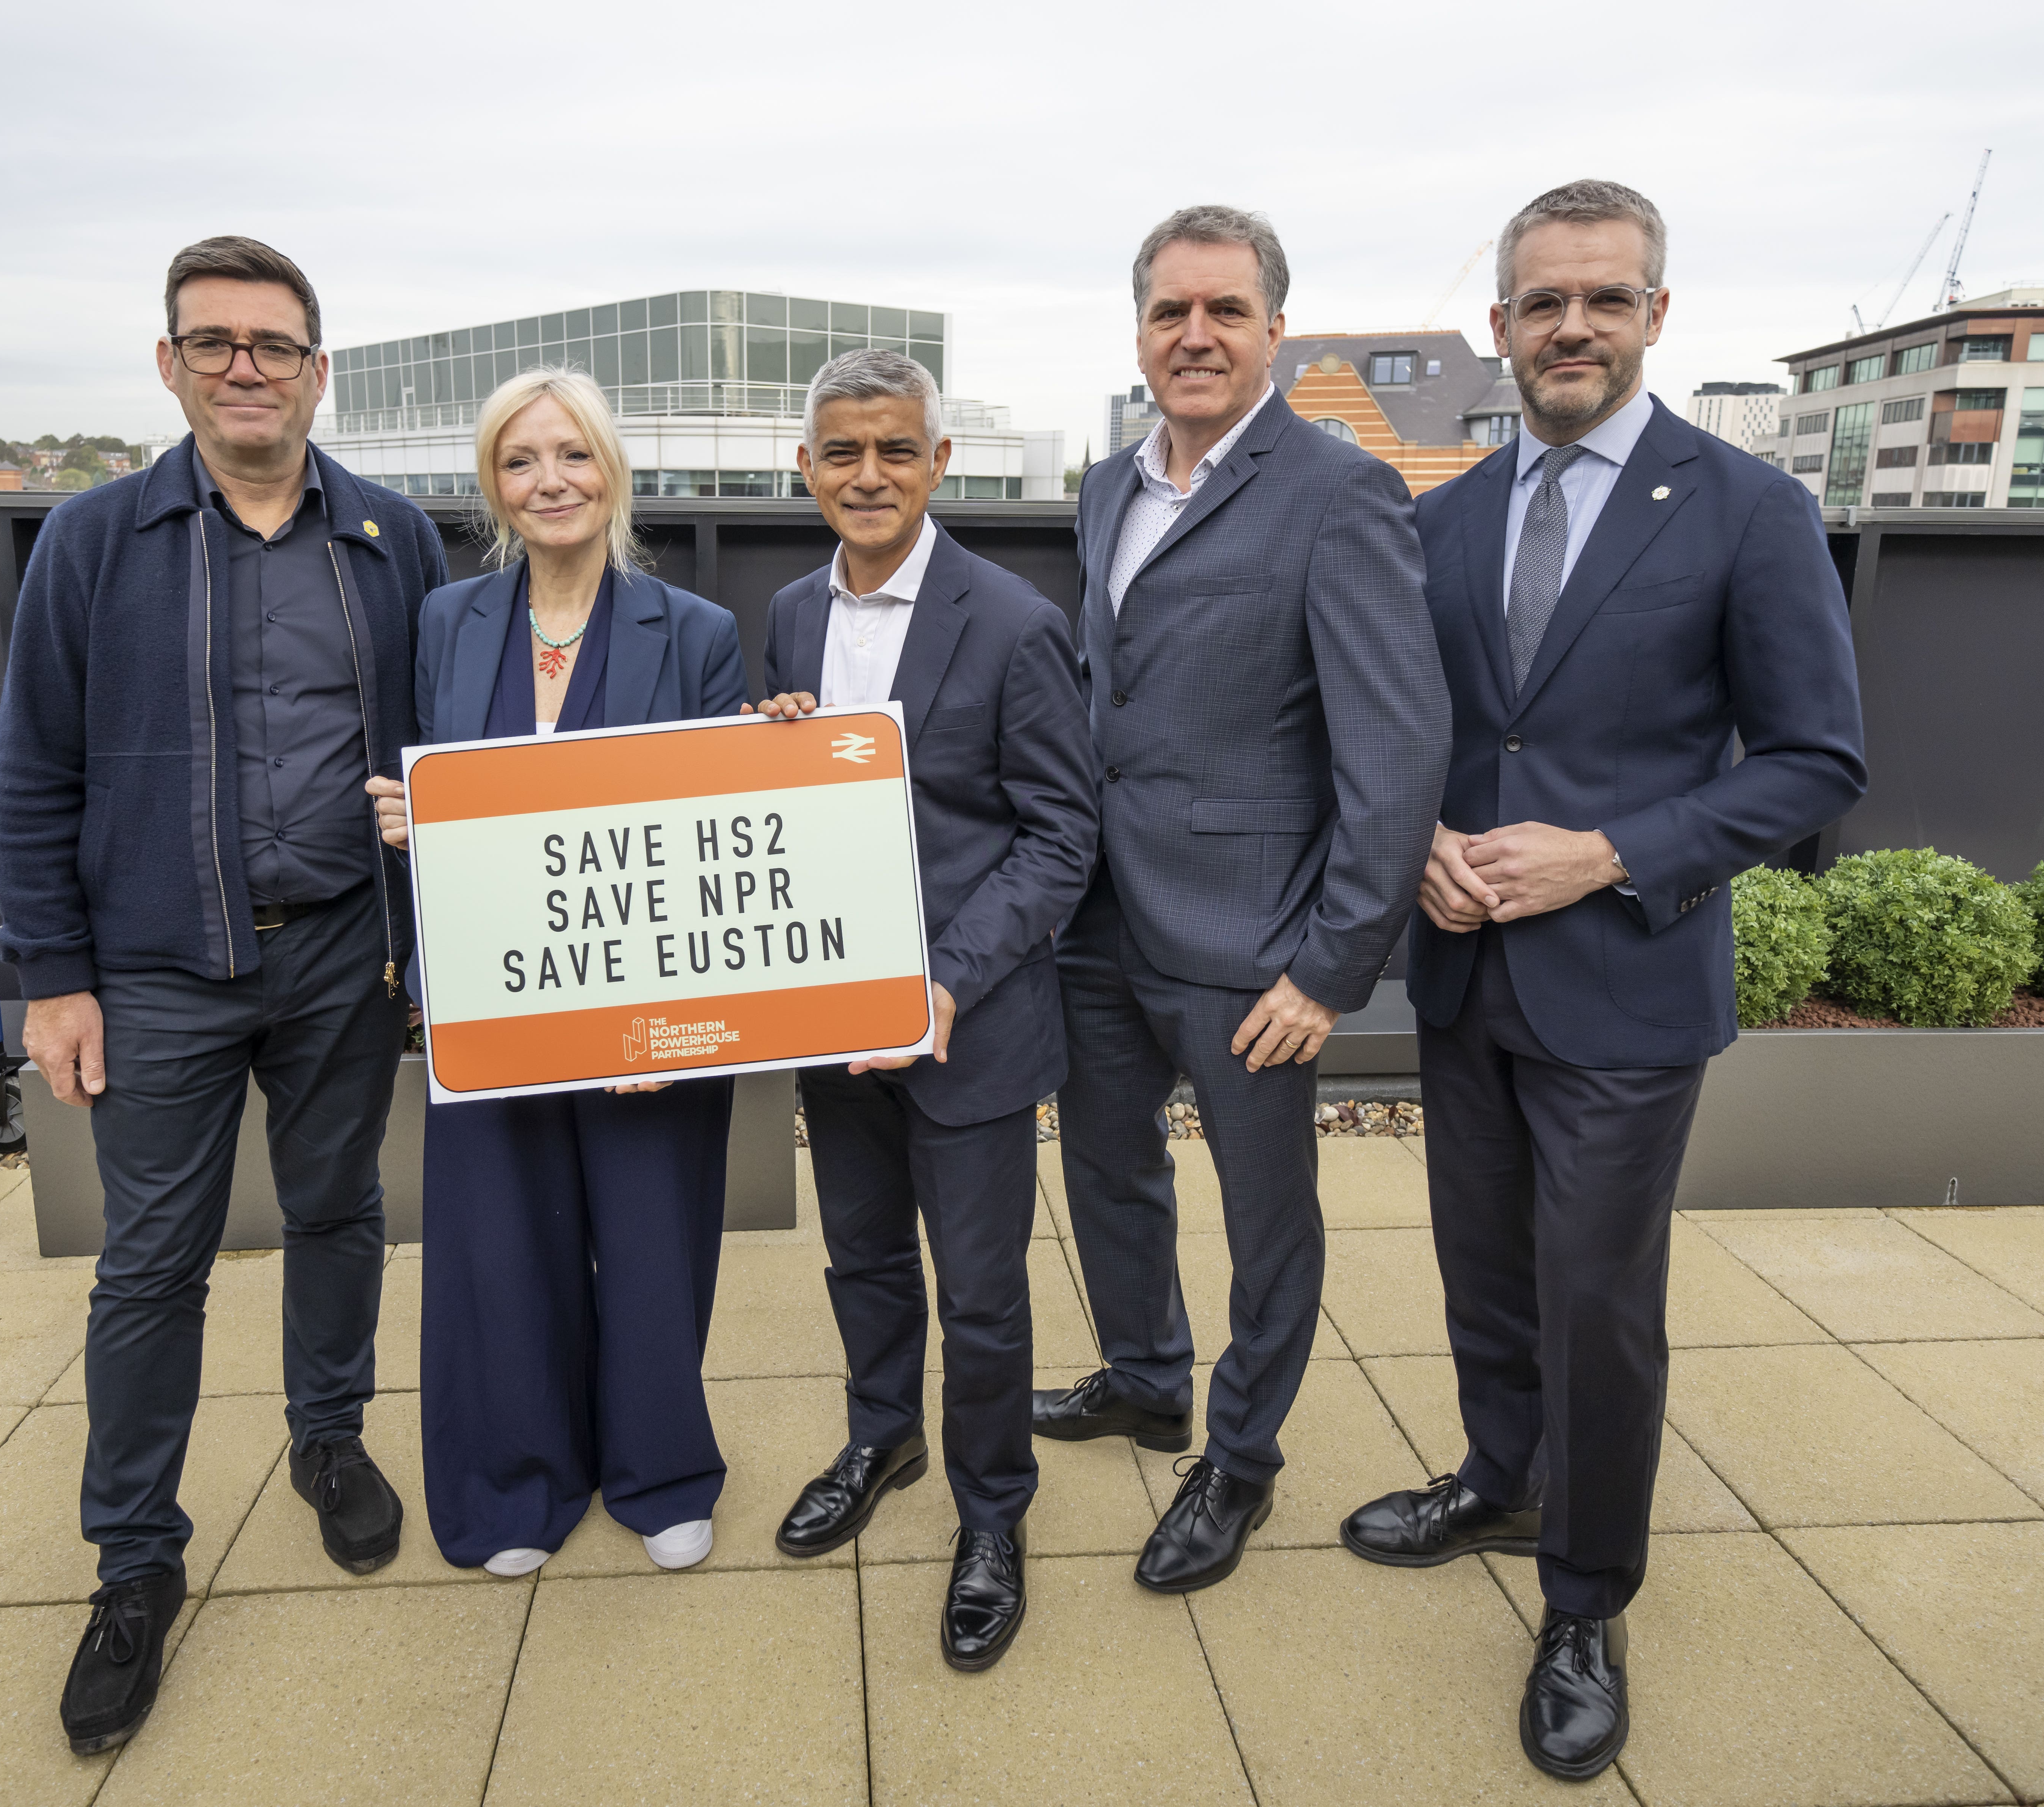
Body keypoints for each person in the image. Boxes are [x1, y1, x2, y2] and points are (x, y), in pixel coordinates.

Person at [1340, 180, 1866, 1781]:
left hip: (1622, 983)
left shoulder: (1743, 511)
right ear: (1499, 325)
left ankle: (1585, 1594)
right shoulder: (1437, 514)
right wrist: (1423, 826)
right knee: (1481, 1270)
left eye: (1602, 299)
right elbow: (1409, 728)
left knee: (1595, 1299)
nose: (1569, 327)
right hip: (1460, 976)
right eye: (1539, 302)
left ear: (1653, 315)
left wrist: (1611, 853)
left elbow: (1811, 763)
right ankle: (1499, 1477)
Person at [0, 235, 448, 1755]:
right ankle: (134, 1562)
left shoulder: (389, 538)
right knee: (152, 1266)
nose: (243, 367)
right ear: (170, 363)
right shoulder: (95, 541)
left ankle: (329, 1447)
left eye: (273, 343)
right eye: (214, 342)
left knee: (338, 1215)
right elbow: (30, 770)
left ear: (320, 369)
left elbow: (453, 752)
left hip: (336, 953)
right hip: (159, 967)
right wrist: (51, 978)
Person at [1043, 205, 1451, 1594]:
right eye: (1171, 312)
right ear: (1141, 331)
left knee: (1268, 1218)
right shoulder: (1108, 488)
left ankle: (1241, 1459)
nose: (1196, 335)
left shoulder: (1343, 493)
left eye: (1225, 310)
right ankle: (1149, 1377)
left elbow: (1395, 754)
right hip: (1100, 923)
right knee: (1104, 1168)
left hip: (1254, 937)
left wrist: (1332, 966)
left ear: (1275, 326)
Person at [365, 367, 749, 1581]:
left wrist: (673, 1022)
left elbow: (719, 830)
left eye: (573, 454)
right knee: (498, 1242)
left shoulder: (697, 632)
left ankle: (659, 1470)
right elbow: (434, 793)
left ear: (612, 471)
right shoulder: (446, 622)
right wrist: (412, 820)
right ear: (494, 486)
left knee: (650, 1232)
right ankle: (516, 1479)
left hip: (647, 1008)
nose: (551, 481)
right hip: (492, 992)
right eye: (523, 460)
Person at [749, 350, 1100, 1672]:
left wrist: (943, 981)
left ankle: (994, 1514)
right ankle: (882, 1433)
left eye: (895, 450)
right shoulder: (789, 613)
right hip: (834, 1026)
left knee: (988, 1293)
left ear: (939, 462)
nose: (869, 475)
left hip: (969, 1022)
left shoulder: (1013, 619)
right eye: (842, 452)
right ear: (807, 470)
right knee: (863, 1260)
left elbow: (1062, 837)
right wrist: (768, 735)